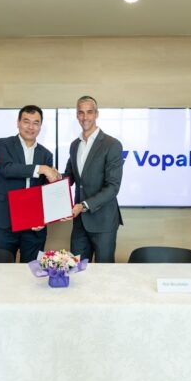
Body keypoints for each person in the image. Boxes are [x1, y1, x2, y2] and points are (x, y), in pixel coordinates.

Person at [0, 105, 60, 262]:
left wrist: (56, 179)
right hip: (4, 219)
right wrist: (41, 168)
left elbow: (46, 190)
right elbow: (7, 169)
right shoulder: (2, 144)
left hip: (34, 223)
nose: (31, 127)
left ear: (40, 126)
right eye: (26, 121)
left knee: (32, 270)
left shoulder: (46, 154)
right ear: (18, 123)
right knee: (2, 267)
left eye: (36, 123)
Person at [63, 95, 123, 263]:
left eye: (89, 112)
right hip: (79, 223)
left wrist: (83, 206)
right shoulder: (74, 145)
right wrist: (53, 176)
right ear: (77, 115)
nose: (85, 117)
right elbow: (70, 177)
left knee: (104, 270)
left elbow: (113, 187)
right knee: (77, 269)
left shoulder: (112, 144)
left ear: (96, 114)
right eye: (81, 113)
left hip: (103, 221)